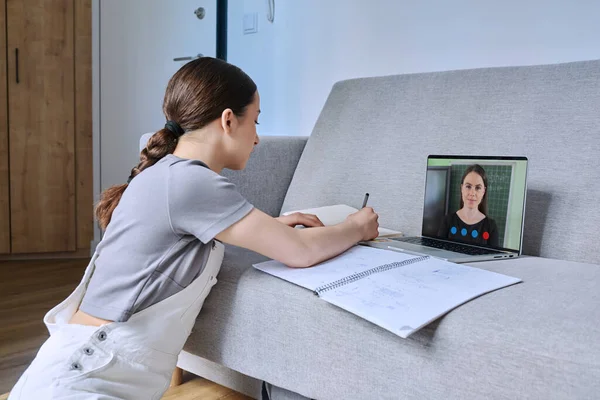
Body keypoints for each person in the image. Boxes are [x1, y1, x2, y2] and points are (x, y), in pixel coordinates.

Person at [8, 57, 379, 399]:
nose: (257, 138)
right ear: (228, 119)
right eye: (256, 121)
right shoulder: (191, 183)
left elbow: (193, 244)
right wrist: (357, 226)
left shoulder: (167, 175)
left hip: (80, 365)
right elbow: (302, 251)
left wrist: (272, 226)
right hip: (87, 379)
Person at [437, 164, 499, 247]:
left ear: (483, 191)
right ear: (462, 188)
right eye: (468, 186)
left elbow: (493, 259)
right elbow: (438, 254)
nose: (472, 193)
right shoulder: (447, 221)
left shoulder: (491, 226)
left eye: (478, 188)